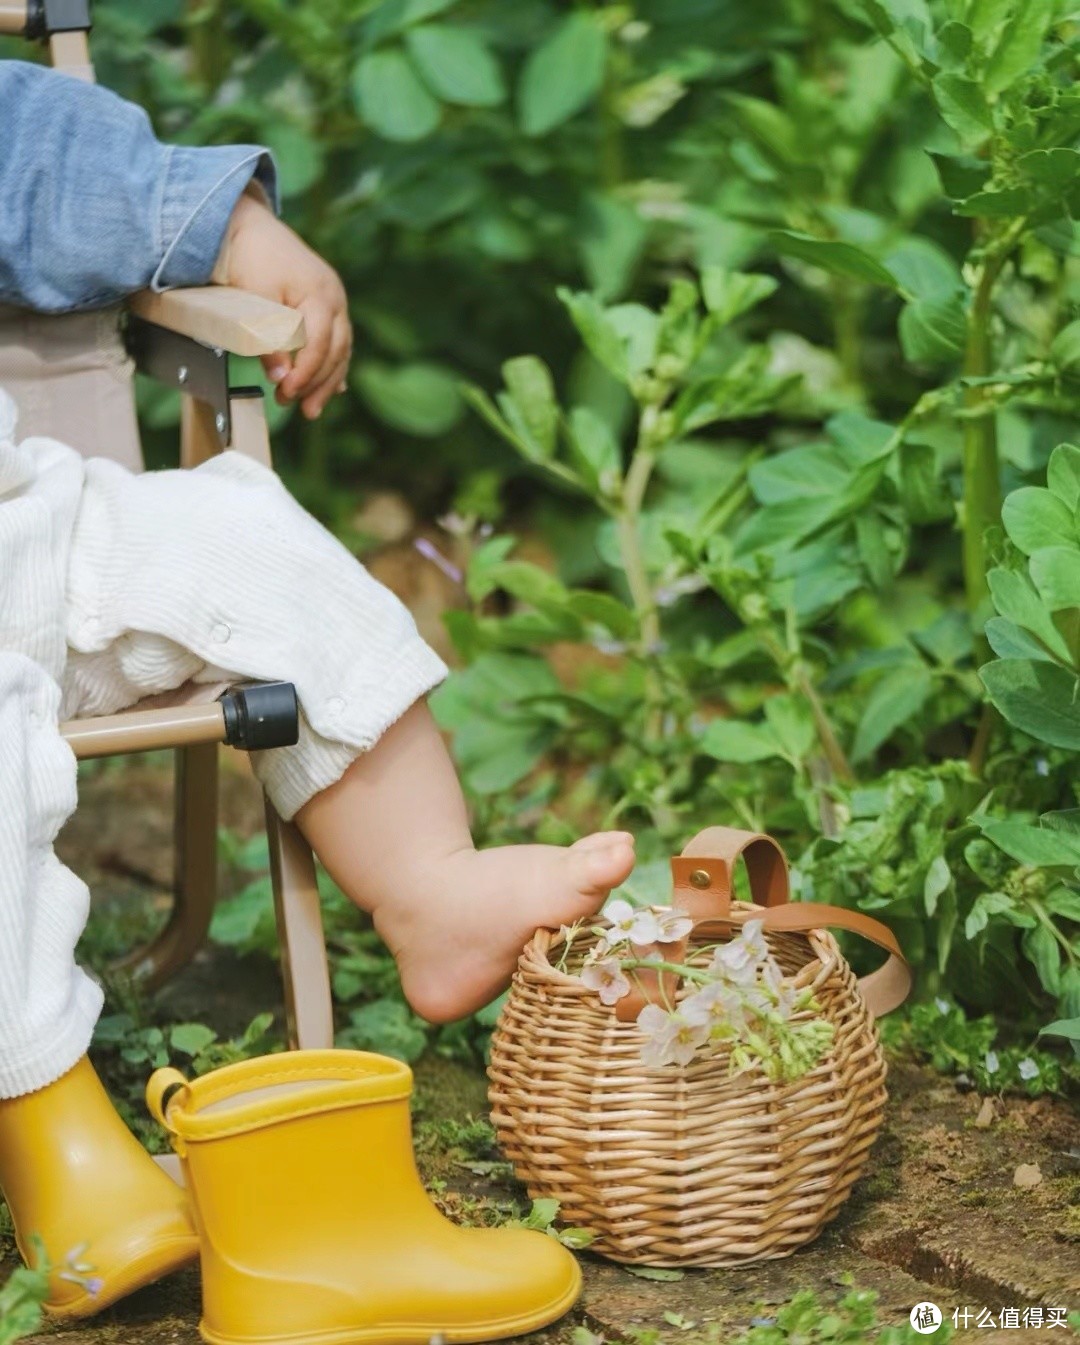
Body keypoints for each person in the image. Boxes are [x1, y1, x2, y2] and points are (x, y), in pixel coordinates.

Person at [0, 61, 636, 1318]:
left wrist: (231, 227)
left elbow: (35, 152)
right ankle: (48, 1121)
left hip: (26, 521)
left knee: (245, 532)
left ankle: (432, 890)